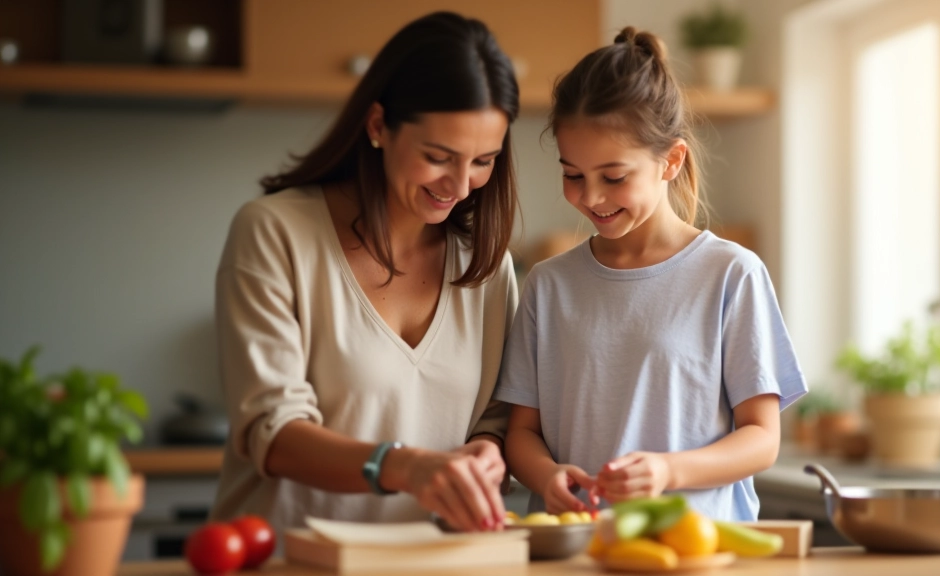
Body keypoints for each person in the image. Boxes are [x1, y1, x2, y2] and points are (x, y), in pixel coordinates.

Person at [209, 11, 521, 534]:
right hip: (288, 561)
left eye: (483, 161)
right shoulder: (274, 232)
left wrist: (489, 452)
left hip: (430, 564)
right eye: (439, 157)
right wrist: (404, 466)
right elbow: (274, 431)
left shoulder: (486, 265)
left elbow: (497, 421)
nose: (461, 185)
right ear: (378, 125)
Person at [495, 27, 808, 521]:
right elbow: (521, 433)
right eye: (572, 174)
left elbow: (762, 439)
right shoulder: (548, 285)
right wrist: (546, 476)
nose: (591, 197)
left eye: (614, 177)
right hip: (578, 550)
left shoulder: (731, 274)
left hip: (696, 550)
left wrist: (668, 471)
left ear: (671, 161)